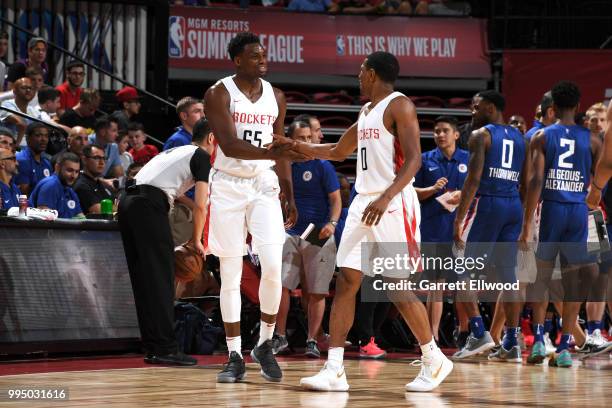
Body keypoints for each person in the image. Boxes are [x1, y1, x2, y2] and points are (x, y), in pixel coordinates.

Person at [285, 51, 453, 392]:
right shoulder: (366, 111)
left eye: (361, 71)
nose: (358, 77)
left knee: (395, 285)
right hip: (364, 201)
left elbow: (415, 159)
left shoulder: (399, 105)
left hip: (391, 202)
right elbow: (336, 152)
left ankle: (434, 357)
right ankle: (334, 369)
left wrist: (387, 196)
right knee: (347, 279)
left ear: (373, 74)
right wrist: (294, 145)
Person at [203, 32, 305, 384]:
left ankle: (264, 343)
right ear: (237, 60)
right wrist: (275, 154)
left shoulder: (276, 96)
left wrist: (288, 191)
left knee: (274, 266)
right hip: (229, 184)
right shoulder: (218, 93)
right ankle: (233, 354)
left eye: (263, 54)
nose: (262, 59)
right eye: (254, 55)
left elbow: (281, 149)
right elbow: (229, 146)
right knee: (230, 272)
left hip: (263, 183)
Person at [520, 81, 609, 367]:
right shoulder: (594, 139)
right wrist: (591, 195)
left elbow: (534, 181)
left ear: (553, 108)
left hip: (552, 209)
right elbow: (599, 180)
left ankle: (538, 340)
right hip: (578, 211)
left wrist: (526, 225)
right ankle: (565, 347)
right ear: (578, 107)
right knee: (575, 281)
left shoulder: (542, 136)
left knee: (542, 278)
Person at [117, 118, 214, 366]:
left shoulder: (177, 151)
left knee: (145, 279)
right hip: (148, 206)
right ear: (212, 138)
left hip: (129, 203)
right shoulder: (201, 156)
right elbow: (202, 205)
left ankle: (152, 346)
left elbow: (174, 190)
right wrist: (196, 241)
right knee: (161, 278)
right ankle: (166, 348)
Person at [452, 90, 528, 362]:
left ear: (492, 107)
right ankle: (511, 341)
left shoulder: (480, 135)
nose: (472, 111)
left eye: (477, 106)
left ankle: (477, 332)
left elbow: (472, 180)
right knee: (509, 277)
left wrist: (459, 218)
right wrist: (525, 220)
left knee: (459, 268)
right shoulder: (521, 137)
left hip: (488, 204)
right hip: (513, 206)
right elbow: (528, 182)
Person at [274, 120, 341, 359]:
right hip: (290, 231)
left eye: (309, 138)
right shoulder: (282, 165)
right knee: (280, 286)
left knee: (317, 291)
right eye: (300, 138)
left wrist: (332, 224)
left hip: (316, 231)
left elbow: (336, 200)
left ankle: (313, 340)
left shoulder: (323, 165)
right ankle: (279, 337)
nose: (306, 142)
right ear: (291, 140)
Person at [413, 115, 468, 342]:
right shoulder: (424, 160)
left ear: (456, 134)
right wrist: (432, 189)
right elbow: (410, 190)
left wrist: (462, 195)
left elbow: (480, 190)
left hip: (463, 231)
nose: (440, 135)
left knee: (465, 284)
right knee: (436, 283)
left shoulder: (470, 159)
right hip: (433, 229)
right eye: (436, 131)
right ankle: (432, 335)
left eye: (445, 130)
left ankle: (466, 331)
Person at [29, 152, 83, 218]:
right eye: (69, 170)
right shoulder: (50, 185)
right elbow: (44, 221)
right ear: (57, 167)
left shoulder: (70, 191)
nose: (73, 176)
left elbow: (81, 217)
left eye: (76, 172)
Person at [73, 144, 115, 215]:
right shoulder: (81, 185)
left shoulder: (100, 183)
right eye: (97, 158)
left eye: (104, 158)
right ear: (84, 160)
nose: (102, 163)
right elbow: (100, 211)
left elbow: (116, 205)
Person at [14, 122, 52, 195]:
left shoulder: (47, 163)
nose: (43, 139)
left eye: (46, 136)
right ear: (28, 138)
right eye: (38, 135)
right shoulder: (22, 160)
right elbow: (24, 195)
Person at [0, 77, 39, 145]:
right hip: (9, 146)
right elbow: (21, 124)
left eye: (30, 88)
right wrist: (16, 146)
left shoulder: (33, 110)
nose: (28, 90)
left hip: (30, 148)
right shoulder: (7, 105)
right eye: (23, 88)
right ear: (15, 91)